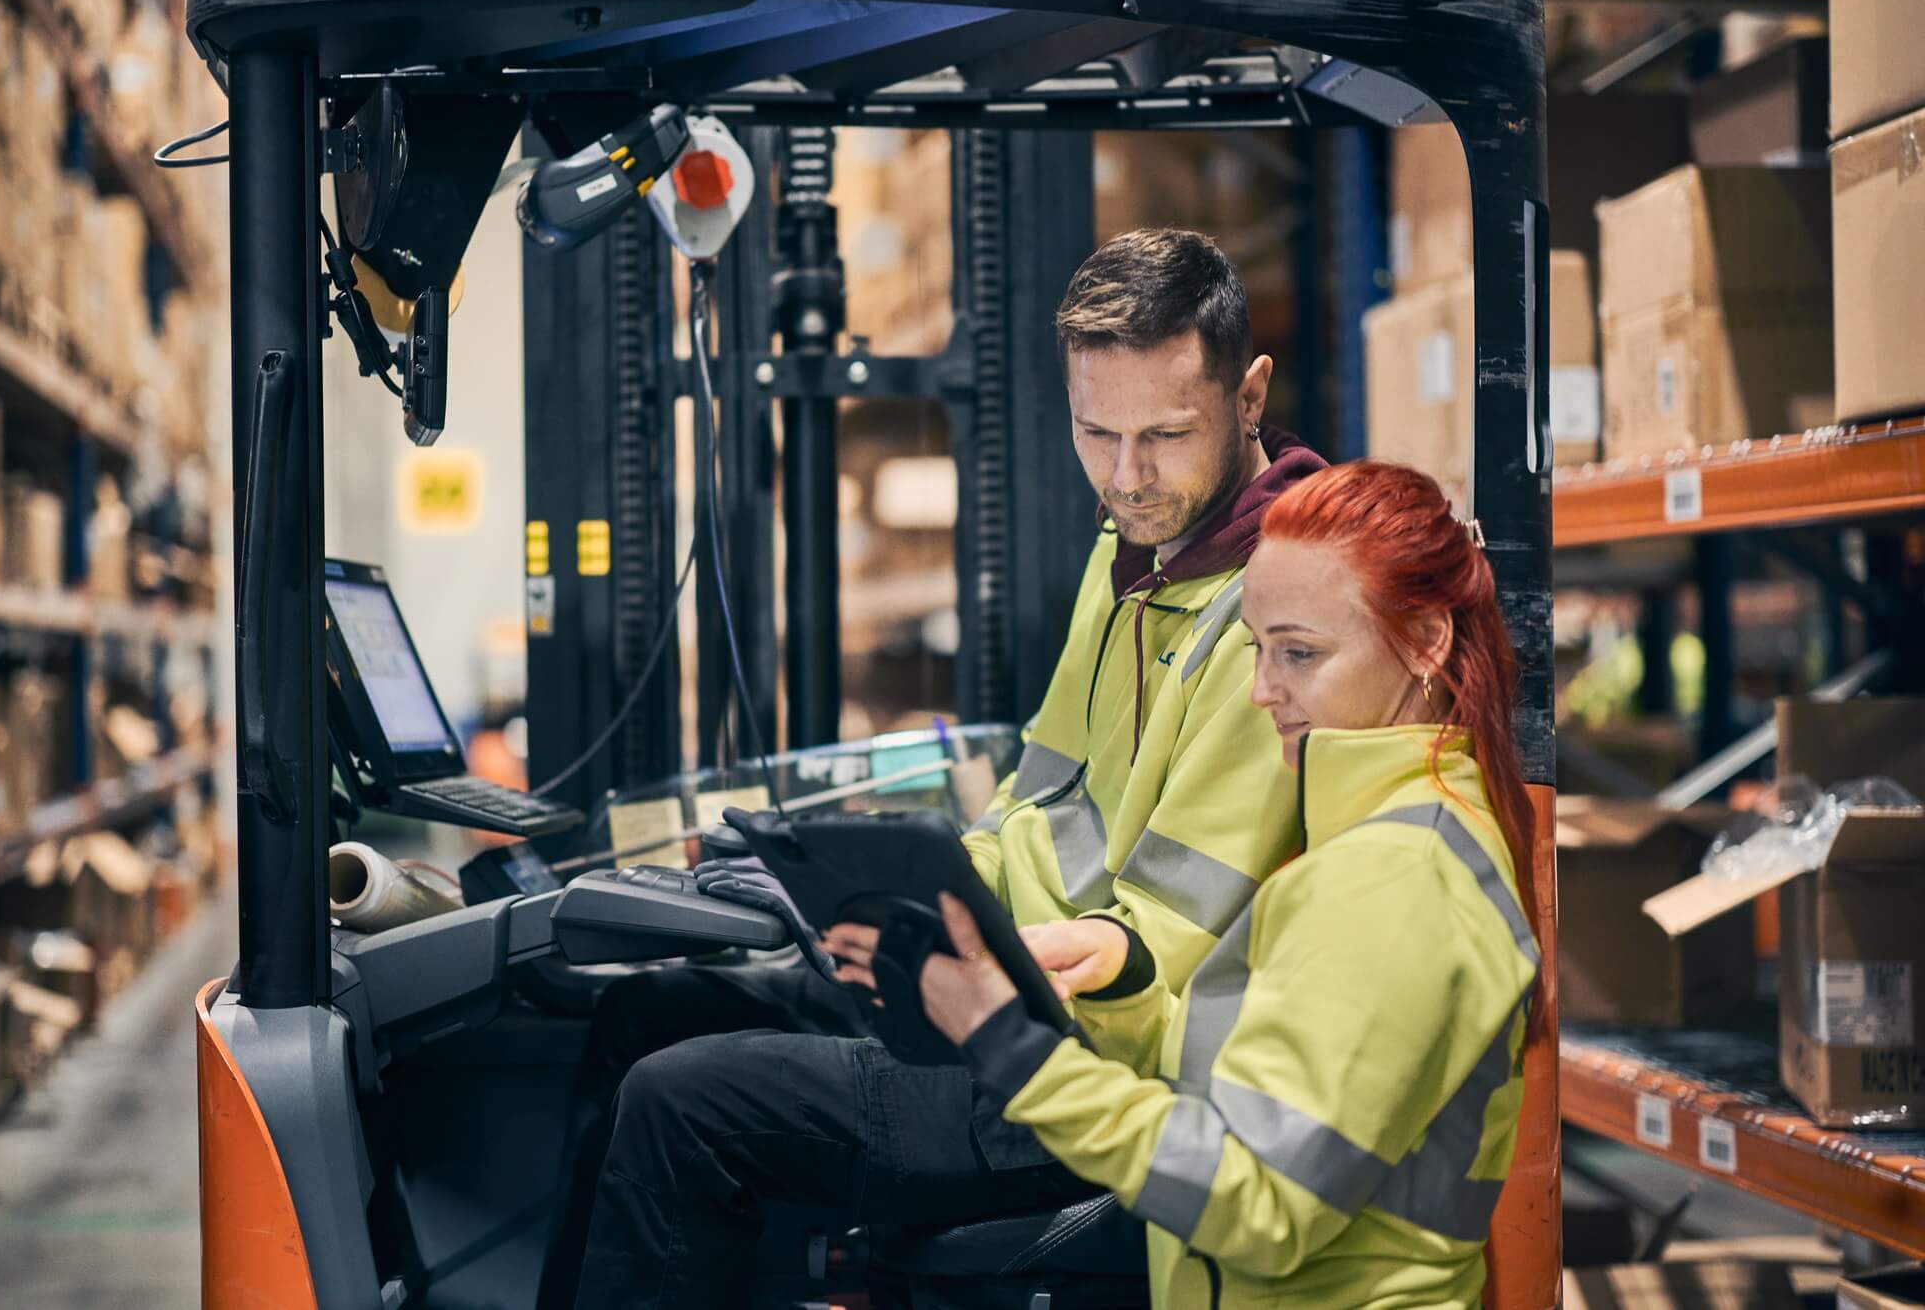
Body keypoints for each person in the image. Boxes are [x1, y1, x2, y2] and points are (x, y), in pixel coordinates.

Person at [545, 229, 1325, 1309]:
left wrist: (992, 964)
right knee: (640, 1016)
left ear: (1248, 396)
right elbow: (1035, 802)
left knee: (682, 1103)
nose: (1124, 475)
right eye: (1094, 431)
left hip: (1100, 1071)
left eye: (1163, 434)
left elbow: (1162, 940)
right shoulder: (1135, 553)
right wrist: (875, 888)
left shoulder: (1282, 615)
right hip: (1013, 989)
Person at [917, 460, 1542, 1310]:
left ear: (1427, 642)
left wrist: (1019, 1057)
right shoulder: (1383, 838)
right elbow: (1261, 1102)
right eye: (1258, 648)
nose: (1261, 691)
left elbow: (1257, 1201)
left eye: (1300, 653)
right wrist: (1128, 980)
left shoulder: (1395, 878)